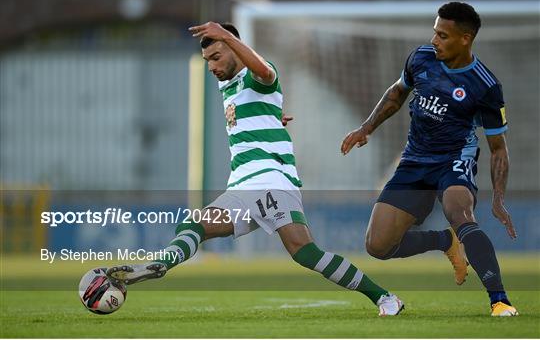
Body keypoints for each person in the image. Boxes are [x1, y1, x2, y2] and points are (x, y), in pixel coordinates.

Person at [106, 22, 404, 316]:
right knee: (193, 226)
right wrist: (273, 116)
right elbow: (259, 108)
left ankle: (384, 297)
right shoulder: (228, 85)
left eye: (217, 56)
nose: (211, 67)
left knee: (305, 252)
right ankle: (158, 265)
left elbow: (265, 73)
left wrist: (225, 35)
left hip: (269, 180)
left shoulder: (256, 74)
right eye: (207, 60)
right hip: (241, 186)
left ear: (234, 46)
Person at [340, 2, 518, 316]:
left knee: (458, 211)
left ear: (465, 39)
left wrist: (499, 198)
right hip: (413, 161)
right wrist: (365, 128)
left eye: (443, 35)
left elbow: (498, 148)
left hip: (453, 160)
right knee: (377, 245)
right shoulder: (421, 58)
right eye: (434, 32)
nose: (434, 40)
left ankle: (500, 300)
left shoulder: (485, 86)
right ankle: (441, 241)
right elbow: (397, 93)